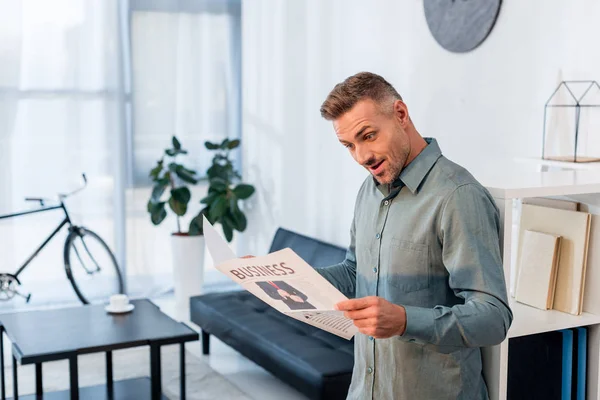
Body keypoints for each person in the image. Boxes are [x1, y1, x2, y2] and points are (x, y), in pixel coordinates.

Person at [316, 72, 513, 400]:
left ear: (401, 114)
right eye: (349, 145)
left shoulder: (457, 195)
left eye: (368, 136)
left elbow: (493, 317)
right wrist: (285, 279)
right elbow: (355, 273)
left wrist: (404, 320)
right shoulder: (369, 190)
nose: (362, 156)